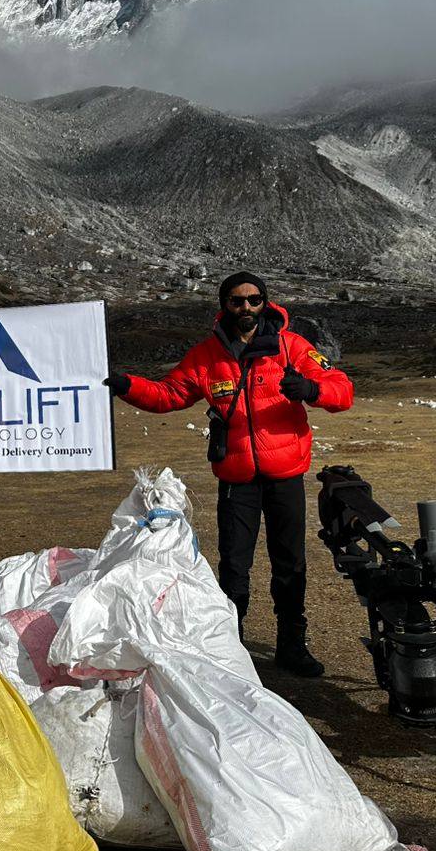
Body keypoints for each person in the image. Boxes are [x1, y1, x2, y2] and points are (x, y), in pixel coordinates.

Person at [105, 272, 351, 676]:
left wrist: (311, 390)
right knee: (234, 567)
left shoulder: (291, 348)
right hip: (237, 478)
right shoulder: (207, 356)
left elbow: (342, 388)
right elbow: (170, 394)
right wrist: (126, 385)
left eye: (254, 300)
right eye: (237, 301)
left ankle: (292, 645)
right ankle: (228, 647)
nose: (247, 308)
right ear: (225, 306)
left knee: (289, 563)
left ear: (266, 302)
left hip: (285, 474)